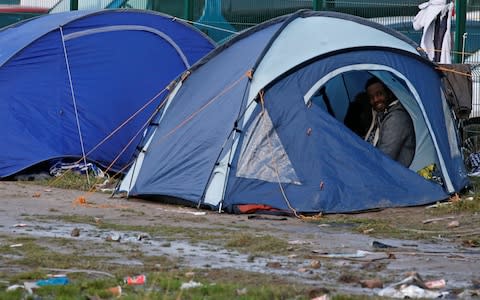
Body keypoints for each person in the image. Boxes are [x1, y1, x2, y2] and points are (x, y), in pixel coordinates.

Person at [364, 77, 416, 167]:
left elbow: (384, 157)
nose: (375, 100)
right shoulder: (381, 115)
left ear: (389, 93)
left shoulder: (396, 118)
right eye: (371, 97)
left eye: (379, 94)